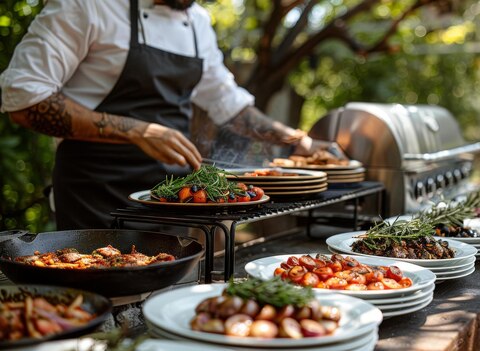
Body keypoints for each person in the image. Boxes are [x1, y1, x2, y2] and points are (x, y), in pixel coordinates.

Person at [0, 0, 332, 229]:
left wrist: (297, 140)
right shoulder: (89, 6)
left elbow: (229, 105)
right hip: (95, 200)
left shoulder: (198, 22)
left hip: (176, 201)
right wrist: (135, 130)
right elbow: (25, 97)